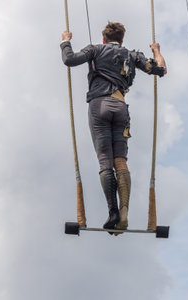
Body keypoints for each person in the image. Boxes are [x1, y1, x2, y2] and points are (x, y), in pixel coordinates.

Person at [60, 22, 167, 234]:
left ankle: (113, 213)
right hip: (120, 108)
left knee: (105, 161)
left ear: (103, 39)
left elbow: (69, 60)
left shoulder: (95, 49)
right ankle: (124, 210)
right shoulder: (131, 55)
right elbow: (161, 69)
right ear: (122, 40)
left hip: (99, 106)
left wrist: (65, 40)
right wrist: (156, 51)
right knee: (120, 160)